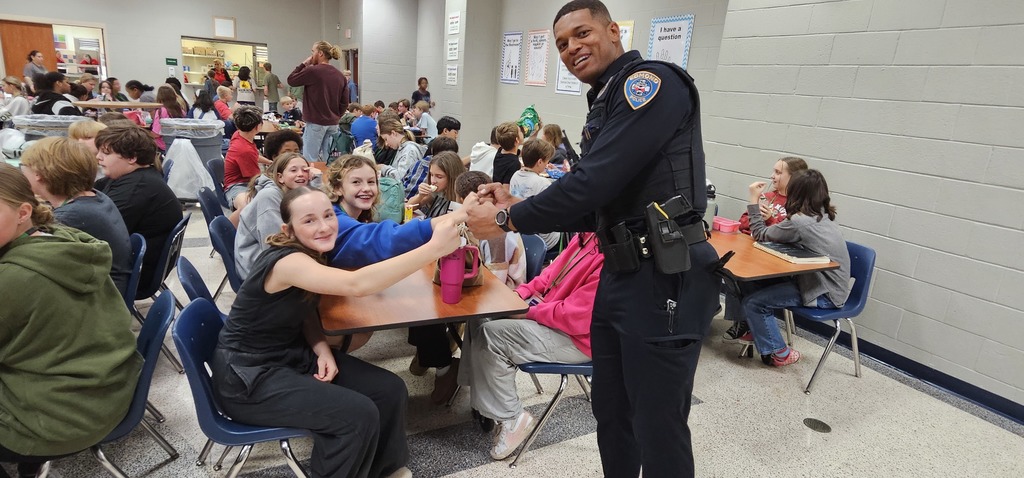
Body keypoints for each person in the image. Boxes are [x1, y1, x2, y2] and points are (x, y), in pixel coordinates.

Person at [462, 1, 718, 476]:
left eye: (582, 34)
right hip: (622, 273)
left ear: (613, 31)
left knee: (658, 426)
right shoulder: (606, 99)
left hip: (664, 276)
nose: (571, 48)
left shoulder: (651, 85)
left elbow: (593, 184)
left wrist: (504, 221)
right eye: (561, 43)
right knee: (613, 414)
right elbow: (597, 206)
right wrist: (516, 205)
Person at [213, 186, 463, 478]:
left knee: (390, 390)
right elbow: (357, 284)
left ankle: (385, 469)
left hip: (288, 356)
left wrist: (320, 348)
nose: (323, 226)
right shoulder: (287, 261)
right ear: (288, 230)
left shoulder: (311, 253)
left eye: (328, 215)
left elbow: (304, 311)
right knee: (355, 416)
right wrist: (433, 249)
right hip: (249, 378)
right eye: (309, 220)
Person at [0, 164, 142, 478]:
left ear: (24, 212)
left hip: (59, 419)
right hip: (105, 389)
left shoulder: (13, 278)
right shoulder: (62, 236)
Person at [459, 231, 602, 460]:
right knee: (479, 315)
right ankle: (482, 401)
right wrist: (517, 296)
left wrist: (527, 312)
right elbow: (547, 278)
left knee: (492, 335)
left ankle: (511, 418)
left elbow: (576, 317)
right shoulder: (584, 237)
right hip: (552, 315)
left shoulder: (608, 254)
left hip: (577, 339)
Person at [740, 170, 851, 365]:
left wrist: (753, 199)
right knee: (753, 282)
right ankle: (757, 329)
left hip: (824, 293)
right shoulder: (824, 215)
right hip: (824, 283)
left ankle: (779, 352)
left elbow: (759, 233)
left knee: (754, 303)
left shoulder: (800, 221)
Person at [19, 136, 132, 297]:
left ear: (39, 173)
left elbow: (26, 255)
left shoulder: (70, 217)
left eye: (23, 167)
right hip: (110, 285)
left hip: (101, 298)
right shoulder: (94, 197)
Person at [722, 156, 809, 342]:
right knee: (729, 271)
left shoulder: (799, 206)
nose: (772, 176)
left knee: (744, 279)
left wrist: (770, 220)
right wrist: (756, 212)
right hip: (757, 254)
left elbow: (787, 235)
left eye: (778, 172)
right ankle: (743, 321)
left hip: (780, 264)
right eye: (773, 171)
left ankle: (746, 321)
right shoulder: (769, 196)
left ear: (793, 177)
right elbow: (744, 222)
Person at [94, 125, 183, 290]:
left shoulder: (136, 189)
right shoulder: (129, 177)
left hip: (136, 275)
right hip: (138, 266)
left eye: (106, 153)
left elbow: (98, 233)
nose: (98, 157)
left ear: (132, 157)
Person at [234, 152, 313, 279]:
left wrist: (314, 184)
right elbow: (274, 246)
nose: (300, 174)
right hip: (257, 270)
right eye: (293, 170)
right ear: (280, 177)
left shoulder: (292, 193)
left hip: (275, 259)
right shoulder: (269, 197)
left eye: (305, 170)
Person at [288, 41, 349, 162]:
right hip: (333, 124)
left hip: (315, 122)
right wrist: (336, 116)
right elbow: (344, 103)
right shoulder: (340, 76)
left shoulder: (313, 71)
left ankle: (313, 181)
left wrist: (304, 64)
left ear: (320, 53)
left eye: (313, 52)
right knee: (331, 160)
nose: (311, 55)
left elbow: (291, 80)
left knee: (310, 159)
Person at [510, 138, 560, 250]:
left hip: (521, 233)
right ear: (540, 162)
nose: (547, 165)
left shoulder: (515, 175)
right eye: (547, 162)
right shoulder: (543, 183)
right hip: (542, 239)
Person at [223, 106, 271, 212]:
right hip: (237, 186)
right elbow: (256, 178)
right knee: (248, 207)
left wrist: (270, 162)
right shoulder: (244, 150)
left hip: (241, 182)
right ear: (258, 127)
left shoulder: (239, 135)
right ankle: (232, 227)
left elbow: (253, 155)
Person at [324, 154, 379, 223]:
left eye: (371, 182)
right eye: (356, 182)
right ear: (337, 188)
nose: (367, 188)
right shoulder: (335, 220)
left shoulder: (362, 216)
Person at [151, 85, 185, 151]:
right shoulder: (181, 111)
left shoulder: (161, 111)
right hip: (177, 145)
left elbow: (156, 134)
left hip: (163, 146)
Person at [490, 121, 522, 187]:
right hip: (503, 193)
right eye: (521, 132)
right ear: (516, 140)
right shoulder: (514, 163)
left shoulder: (500, 151)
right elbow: (506, 189)